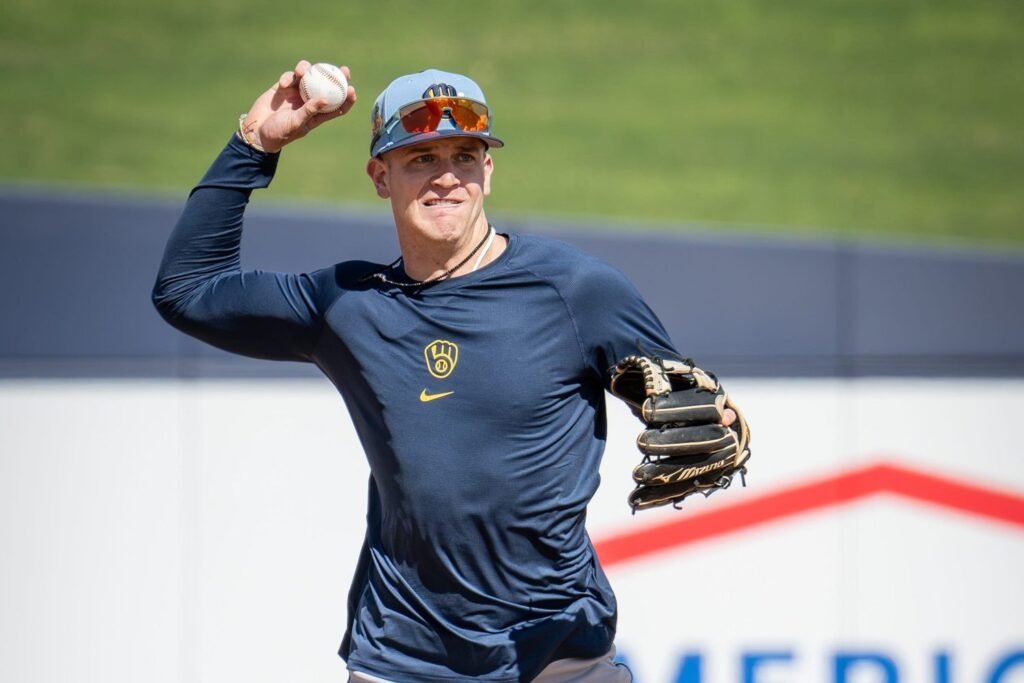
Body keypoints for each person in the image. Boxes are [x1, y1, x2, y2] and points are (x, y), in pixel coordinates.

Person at [153, 60, 736, 682]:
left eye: (464, 154)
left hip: (557, 654)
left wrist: (722, 422)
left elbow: (687, 404)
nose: (447, 177)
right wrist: (256, 144)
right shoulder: (349, 303)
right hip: (404, 658)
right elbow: (187, 291)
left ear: (488, 168)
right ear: (381, 176)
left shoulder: (575, 290)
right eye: (421, 158)